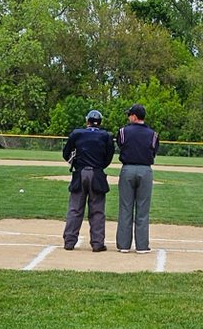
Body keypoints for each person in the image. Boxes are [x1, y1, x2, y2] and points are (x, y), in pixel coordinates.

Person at [62, 108, 114, 251]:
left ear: (87, 121)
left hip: (80, 173)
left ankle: (69, 242)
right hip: (97, 174)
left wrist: (76, 163)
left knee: (75, 209)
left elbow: (66, 154)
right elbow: (108, 157)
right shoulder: (106, 136)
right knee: (97, 210)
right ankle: (97, 243)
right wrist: (99, 166)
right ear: (100, 122)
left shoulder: (77, 134)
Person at [115, 104, 159, 252]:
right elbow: (153, 151)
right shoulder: (153, 134)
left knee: (125, 208)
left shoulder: (123, 131)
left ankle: (124, 245)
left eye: (129, 115)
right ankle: (141, 246)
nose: (128, 118)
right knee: (143, 209)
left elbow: (121, 146)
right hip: (145, 170)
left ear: (134, 116)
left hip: (127, 169)